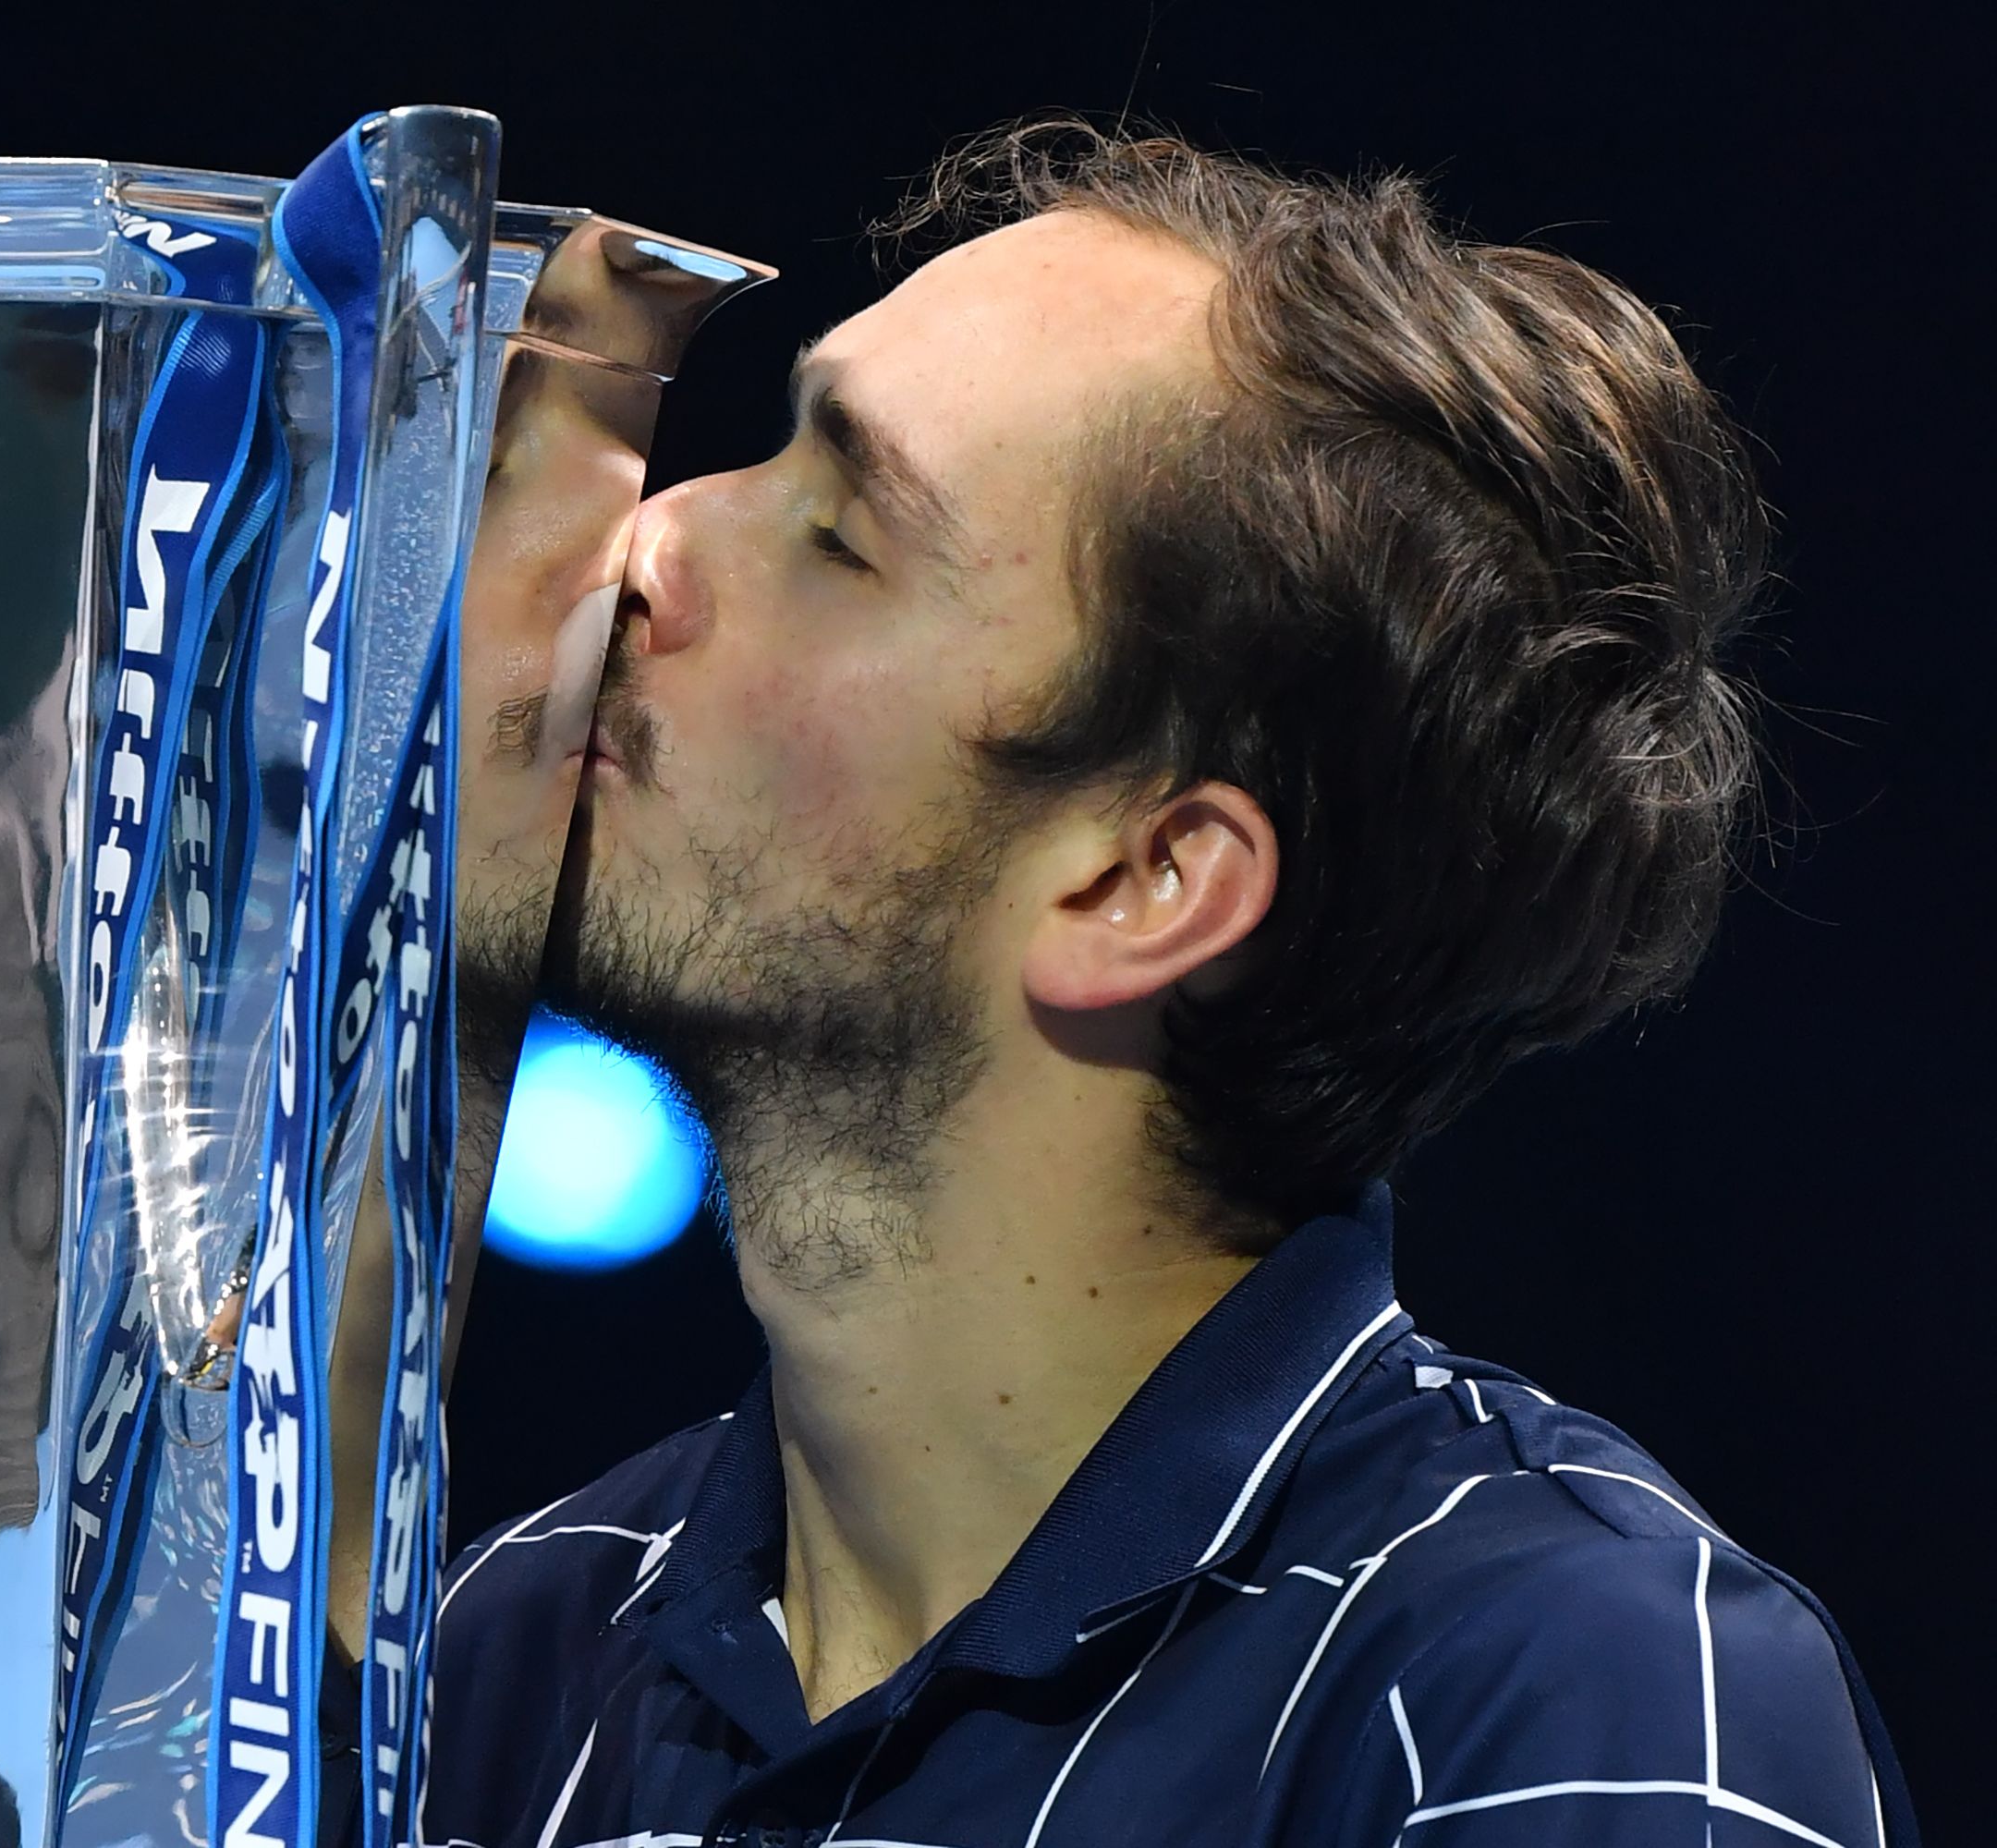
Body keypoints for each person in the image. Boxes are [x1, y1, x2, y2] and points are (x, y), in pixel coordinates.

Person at [368, 118, 1919, 1845]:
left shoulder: (1568, 1696)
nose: (649, 548)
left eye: (837, 534)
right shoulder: (489, 1654)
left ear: (1139, 880)